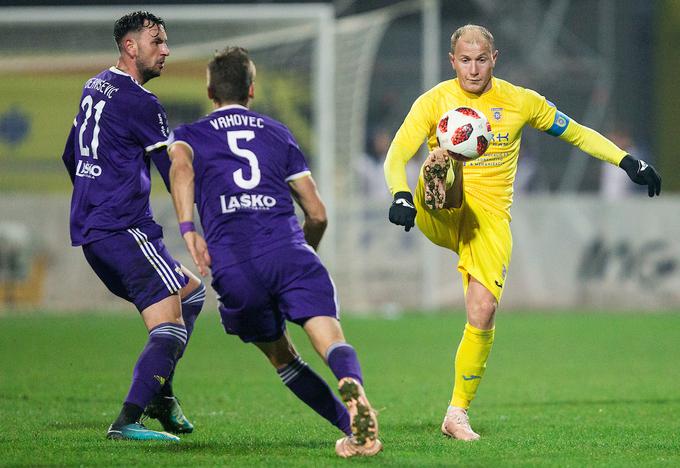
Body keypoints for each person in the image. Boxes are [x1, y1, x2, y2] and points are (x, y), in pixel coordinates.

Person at [384, 24, 661, 441]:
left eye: (481, 60)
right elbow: (396, 154)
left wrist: (626, 161)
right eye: (465, 60)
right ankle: (438, 176)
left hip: (488, 220)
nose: (473, 70)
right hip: (438, 206)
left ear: (494, 59)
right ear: (452, 61)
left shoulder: (520, 101)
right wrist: (402, 195)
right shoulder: (434, 101)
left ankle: (456, 413)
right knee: (440, 159)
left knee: (484, 311)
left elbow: (577, 133)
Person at [166, 47, 382, 458]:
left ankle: (352, 429)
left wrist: (188, 230)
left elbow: (181, 169)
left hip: (234, 264)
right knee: (329, 339)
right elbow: (316, 213)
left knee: (283, 358)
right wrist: (304, 253)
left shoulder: (190, 136)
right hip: (288, 251)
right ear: (251, 89)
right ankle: (357, 401)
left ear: (210, 90)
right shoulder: (277, 132)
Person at [61, 11, 206, 442]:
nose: (166, 50)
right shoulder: (141, 102)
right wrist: (191, 226)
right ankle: (127, 419)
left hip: (93, 228)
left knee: (191, 292)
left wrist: (95, 195)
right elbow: (171, 168)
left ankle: (160, 393)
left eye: (165, 42)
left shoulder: (95, 86)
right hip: (123, 229)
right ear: (130, 47)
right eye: (157, 41)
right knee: (172, 326)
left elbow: (72, 156)